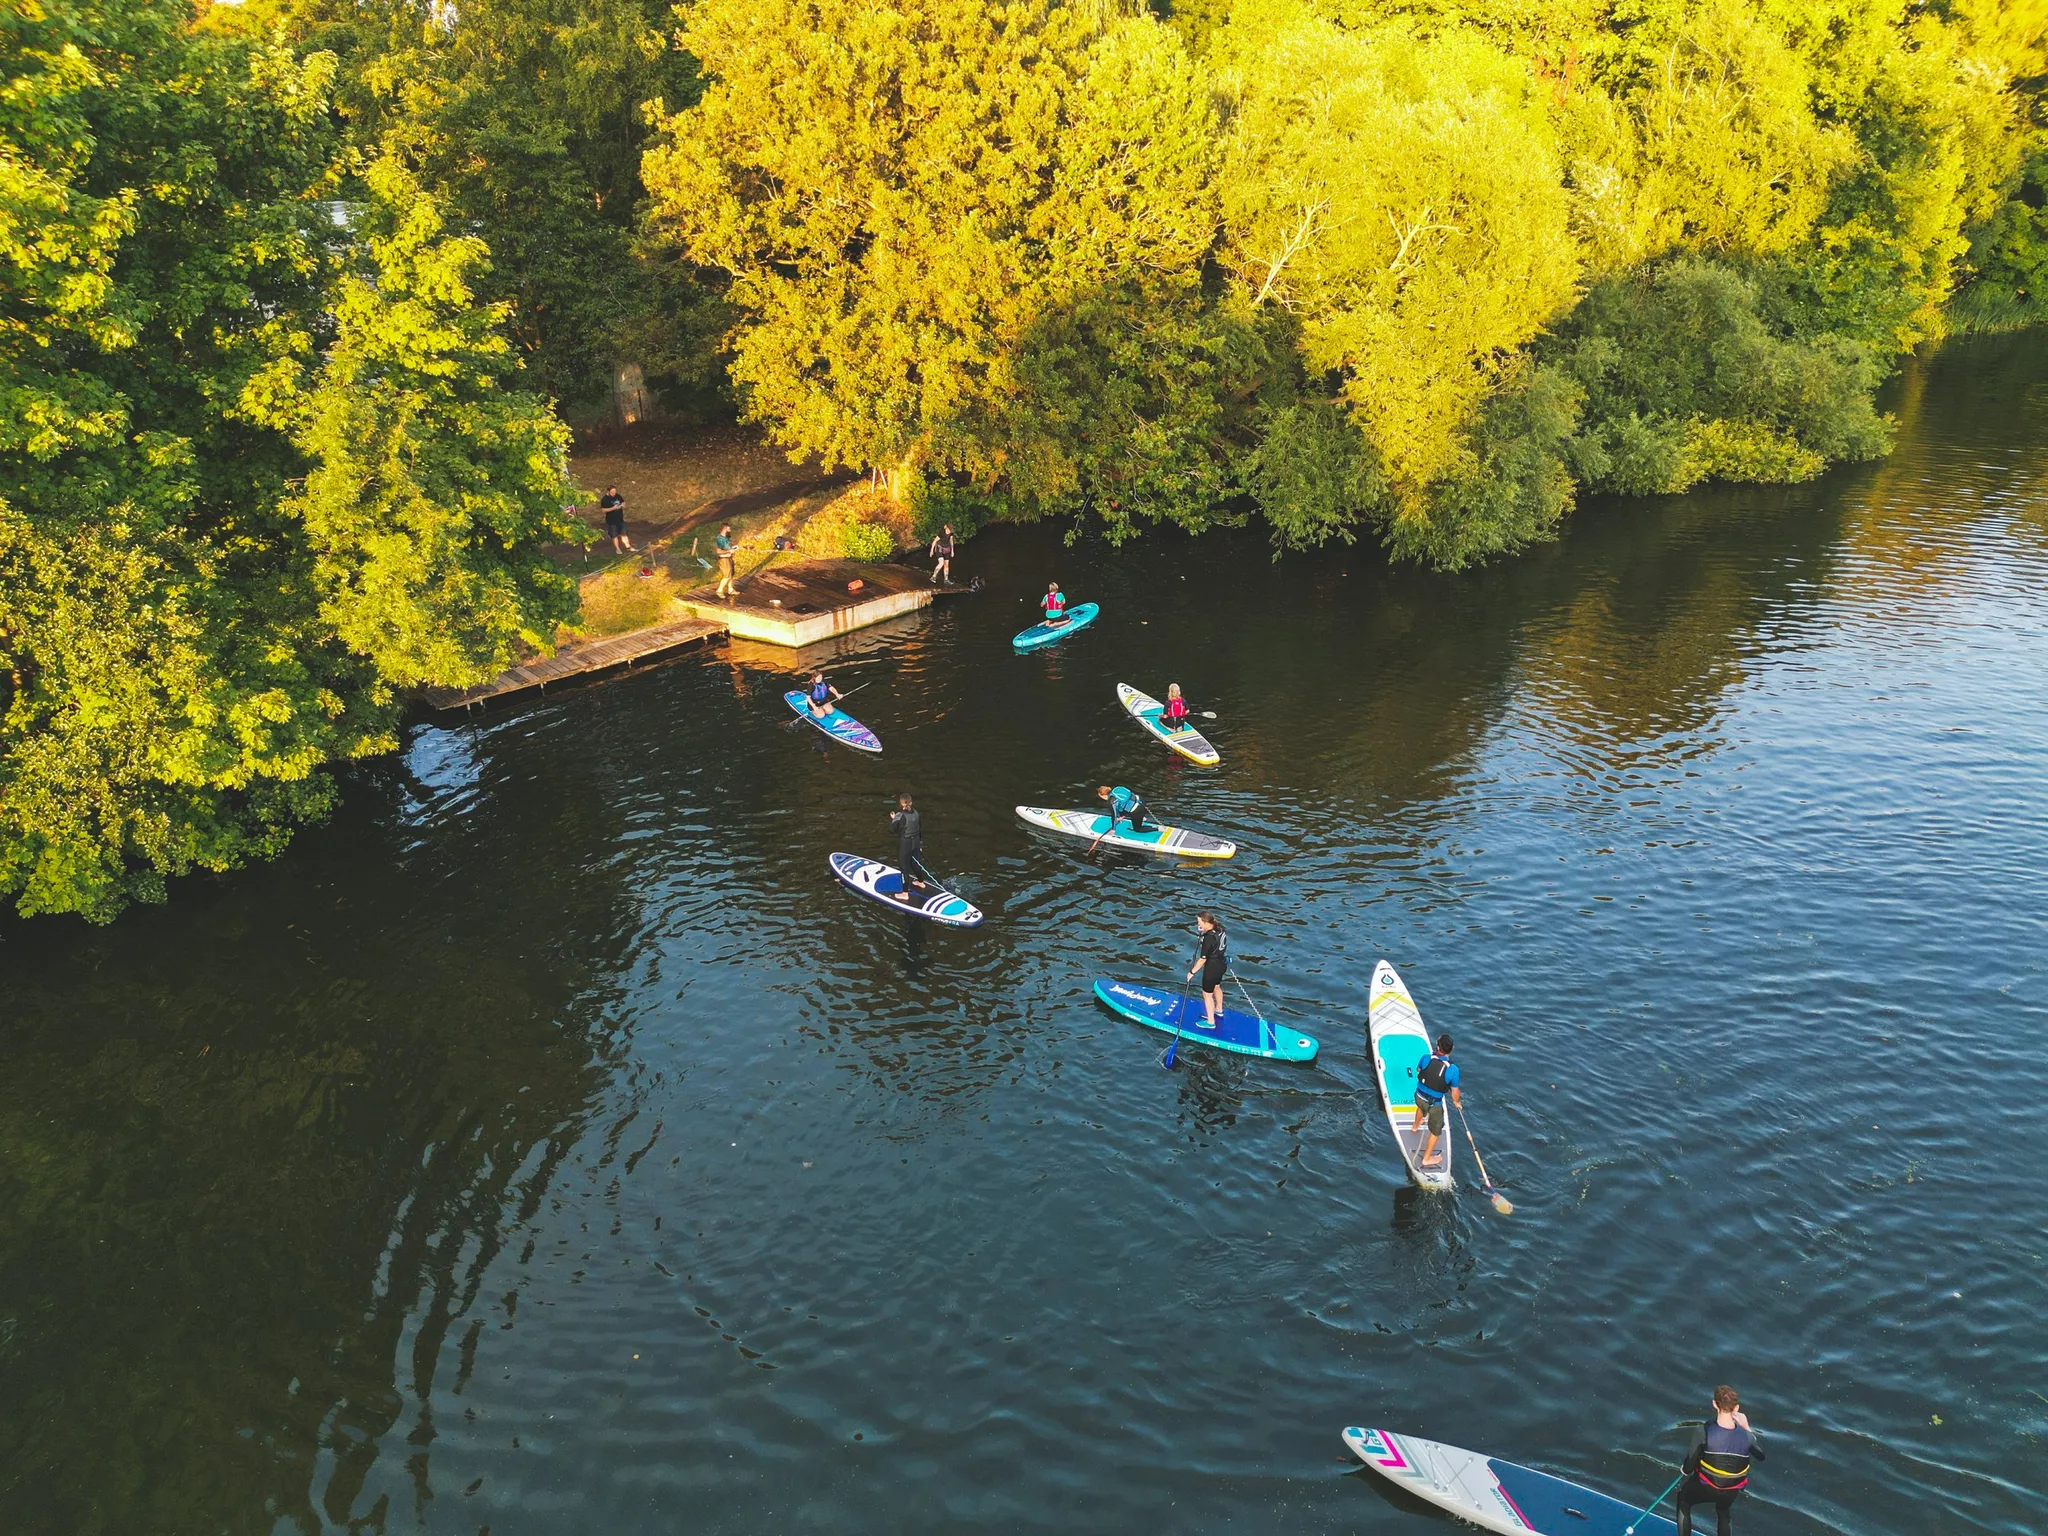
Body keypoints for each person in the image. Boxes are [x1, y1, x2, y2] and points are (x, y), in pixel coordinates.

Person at [1677, 1386, 1765, 1536]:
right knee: (1723, 1511)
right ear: (1736, 1408)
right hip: (1732, 1490)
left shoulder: (1703, 1431)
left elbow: (1689, 1467)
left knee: (1683, 1501)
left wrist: (1684, 1469)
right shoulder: (1747, 1437)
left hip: (1707, 1486)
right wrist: (1747, 1427)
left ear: (1714, 1404)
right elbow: (1761, 1456)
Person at [1410, 1033, 1461, 1169]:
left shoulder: (1426, 1058)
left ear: (1437, 1047)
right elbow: (1455, 1092)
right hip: (1434, 1105)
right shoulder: (1453, 1070)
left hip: (1419, 1097)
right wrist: (1457, 1102)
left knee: (1421, 1107)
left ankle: (1415, 1127)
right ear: (1452, 1048)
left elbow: (1418, 1070)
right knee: (1435, 1131)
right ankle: (1426, 1159)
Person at [1183, 911, 1228, 1030]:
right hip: (1221, 964)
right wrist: (1203, 931)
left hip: (1212, 967)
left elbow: (1203, 959)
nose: (1198, 925)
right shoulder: (1220, 929)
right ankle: (1218, 1010)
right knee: (1217, 986)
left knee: (1207, 994)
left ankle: (1210, 1022)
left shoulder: (1208, 938)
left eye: (1200, 922)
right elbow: (1216, 944)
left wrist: (1191, 972)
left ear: (1207, 922)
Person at [887, 792, 929, 898]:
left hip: (905, 844)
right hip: (916, 842)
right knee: (916, 864)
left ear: (901, 804)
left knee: (904, 868)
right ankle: (920, 882)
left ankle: (905, 893)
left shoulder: (899, 815)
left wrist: (893, 819)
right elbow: (919, 830)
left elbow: (892, 830)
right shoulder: (917, 813)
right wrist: (920, 845)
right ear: (911, 802)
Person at [600, 485, 631, 553]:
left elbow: (623, 501)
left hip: (620, 519)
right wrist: (613, 508)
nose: (614, 493)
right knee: (614, 535)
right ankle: (617, 549)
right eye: (612, 492)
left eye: (615, 492)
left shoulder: (617, 496)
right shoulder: (605, 499)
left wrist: (622, 504)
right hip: (611, 521)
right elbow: (603, 510)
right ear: (608, 491)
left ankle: (628, 547)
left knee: (624, 534)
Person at [714, 522, 737, 600]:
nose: (730, 530)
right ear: (725, 529)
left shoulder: (726, 538)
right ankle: (719, 590)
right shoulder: (719, 539)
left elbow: (727, 548)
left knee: (731, 574)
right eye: (729, 528)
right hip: (723, 559)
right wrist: (729, 551)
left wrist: (733, 548)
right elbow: (718, 551)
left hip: (729, 558)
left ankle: (730, 589)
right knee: (726, 576)